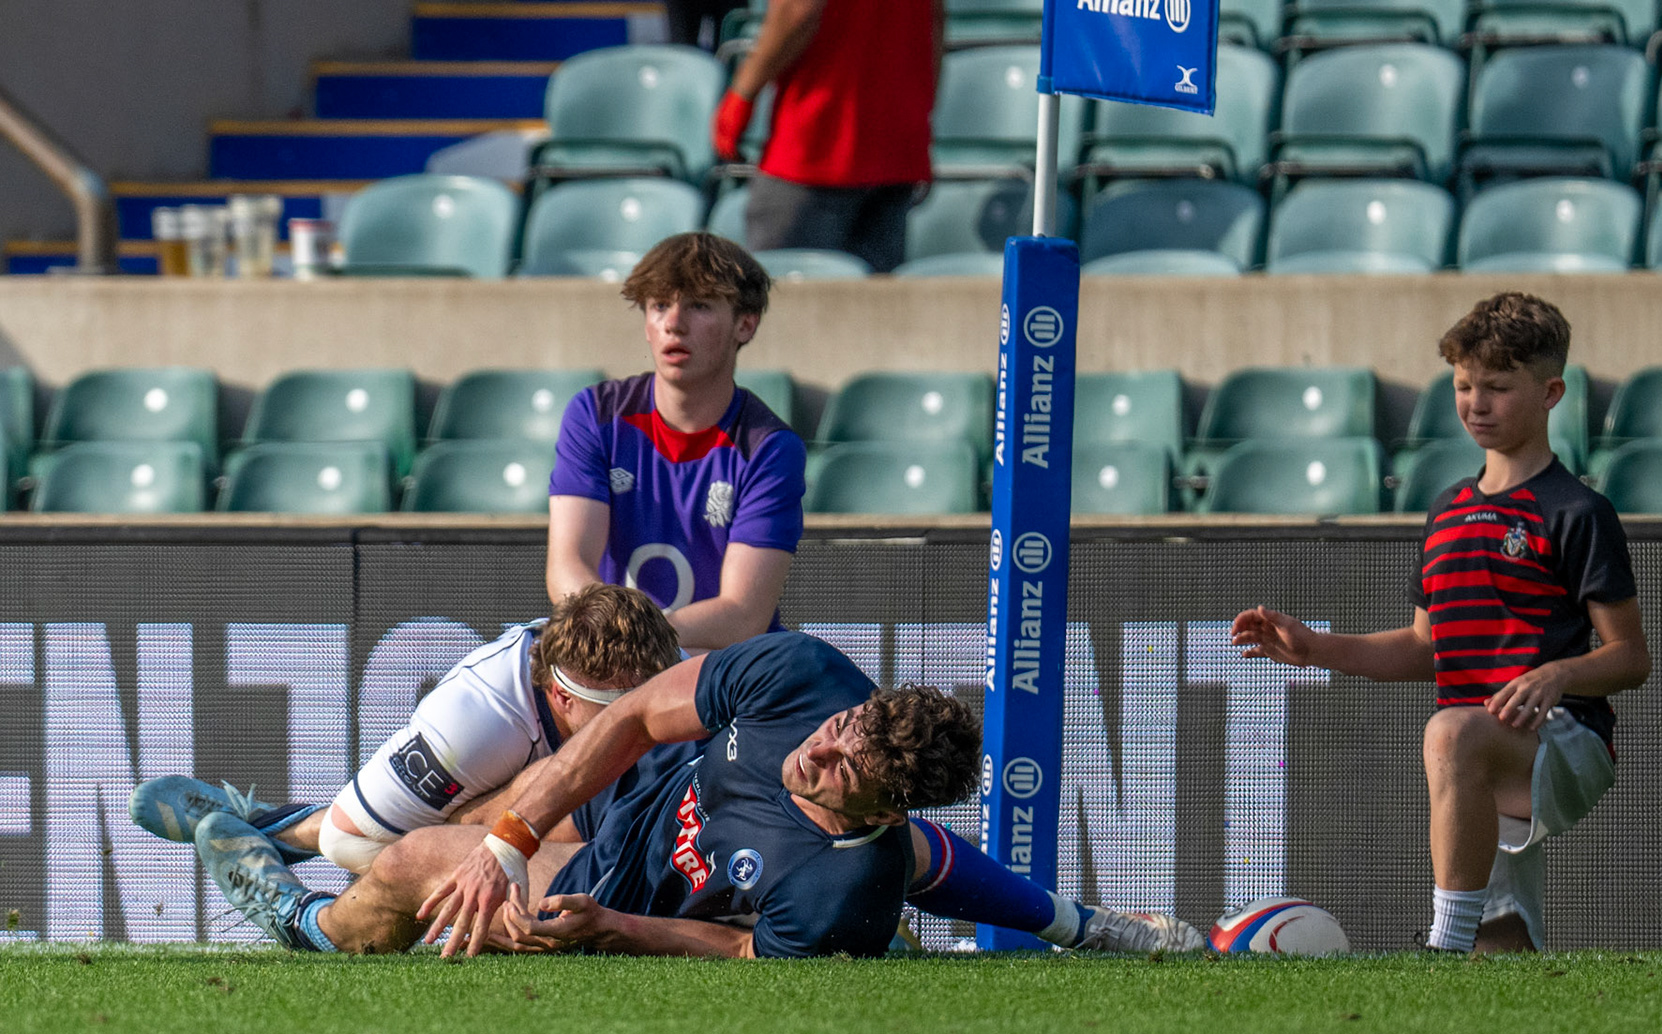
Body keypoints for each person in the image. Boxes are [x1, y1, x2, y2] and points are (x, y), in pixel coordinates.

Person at [194, 631, 1206, 959]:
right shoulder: (804, 677)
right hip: (634, 790)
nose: (817, 751)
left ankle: (305, 920)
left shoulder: (844, 883)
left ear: (883, 806)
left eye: (842, 770)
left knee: (414, 863)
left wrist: (618, 925)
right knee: (483, 817)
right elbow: (636, 714)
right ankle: (300, 827)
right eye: (838, 731)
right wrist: (507, 838)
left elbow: (746, 955)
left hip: (619, 882)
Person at [1230, 293, 1651, 954]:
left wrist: (1558, 673)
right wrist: (1315, 647)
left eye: (1497, 387)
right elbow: (1426, 647)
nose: (1476, 403)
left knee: (1449, 732)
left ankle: (1441, 947)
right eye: (1463, 386)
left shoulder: (1578, 511)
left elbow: (1630, 657)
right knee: (1503, 947)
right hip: (1482, 748)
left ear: (1550, 393)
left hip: (1565, 737)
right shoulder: (1447, 508)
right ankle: (1476, 958)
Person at [130, 583, 683, 873]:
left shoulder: (656, 668)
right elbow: (348, 843)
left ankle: (264, 825)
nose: (646, 715)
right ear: (562, 694)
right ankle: (270, 834)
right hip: (482, 766)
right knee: (358, 837)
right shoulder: (477, 722)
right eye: (623, 708)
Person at [546, 233, 804, 652]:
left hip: (719, 669)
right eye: (660, 305)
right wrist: (616, 644)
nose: (674, 323)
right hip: (612, 654)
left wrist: (636, 641)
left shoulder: (770, 448)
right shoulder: (595, 415)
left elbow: (743, 614)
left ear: (746, 323)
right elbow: (567, 567)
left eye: (699, 305)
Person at [709, 0, 942, 273]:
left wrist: (742, 92)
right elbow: (936, 20)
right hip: (894, 149)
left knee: (782, 294)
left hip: (815, 146)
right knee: (874, 297)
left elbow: (799, 10)